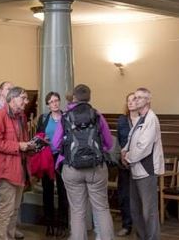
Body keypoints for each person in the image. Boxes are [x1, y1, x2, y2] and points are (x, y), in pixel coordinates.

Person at [52, 84, 114, 240]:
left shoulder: (65, 116)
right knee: (101, 209)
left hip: (72, 168)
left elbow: (55, 143)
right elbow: (109, 143)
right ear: (89, 98)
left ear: (74, 97)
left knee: (77, 211)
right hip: (96, 168)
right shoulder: (97, 115)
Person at [0, 86, 32, 240]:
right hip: (6, 169)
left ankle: (9, 237)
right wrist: (18, 146)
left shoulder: (21, 116)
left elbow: (21, 140)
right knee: (6, 210)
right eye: (23, 98)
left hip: (20, 167)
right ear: (12, 99)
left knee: (14, 209)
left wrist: (31, 146)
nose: (26, 101)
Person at [122, 87, 164, 240]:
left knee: (149, 211)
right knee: (136, 209)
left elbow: (144, 147)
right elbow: (131, 139)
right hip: (135, 170)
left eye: (139, 97)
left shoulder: (151, 119)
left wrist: (128, 157)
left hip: (146, 171)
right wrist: (124, 151)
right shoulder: (141, 118)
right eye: (135, 97)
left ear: (148, 100)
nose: (135, 100)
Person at [35, 92, 68, 236]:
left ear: (59, 102)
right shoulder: (43, 118)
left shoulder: (66, 117)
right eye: (51, 101)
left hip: (61, 157)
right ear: (48, 104)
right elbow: (37, 137)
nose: (54, 103)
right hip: (47, 157)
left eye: (56, 100)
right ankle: (49, 223)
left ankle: (62, 223)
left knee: (63, 191)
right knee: (47, 190)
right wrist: (43, 139)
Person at [114, 92, 135, 236]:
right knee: (124, 195)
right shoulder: (122, 120)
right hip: (124, 162)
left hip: (140, 162)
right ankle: (126, 225)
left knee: (139, 196)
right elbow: (120, 140)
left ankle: (140, 224)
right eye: (128, 100)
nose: (131, 103)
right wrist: (123, 156)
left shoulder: (144, 120)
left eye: (133, 100)